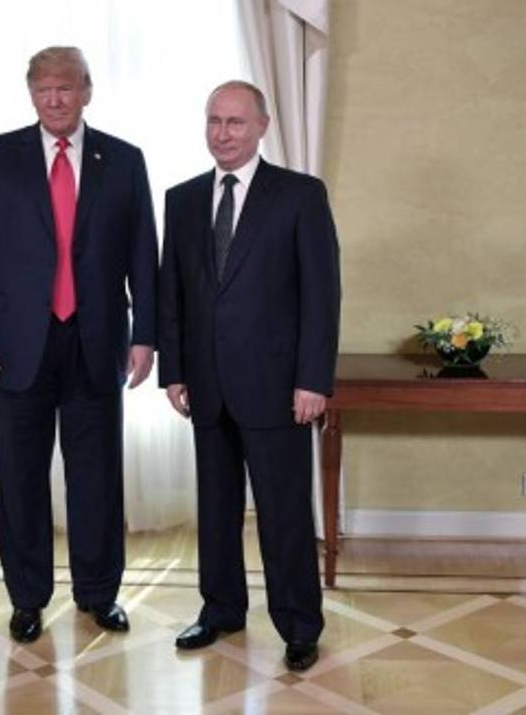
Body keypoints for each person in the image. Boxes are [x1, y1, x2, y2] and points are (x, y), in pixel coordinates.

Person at [0, 46, 157, 644]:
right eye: (43, 88)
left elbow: (144, 256)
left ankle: (98, 594)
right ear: (31, 94)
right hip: (18, 345)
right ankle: (27, 598)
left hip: (96, 343)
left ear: (87, 91)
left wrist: (145, 335)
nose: (55, 99)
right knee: (20, 479)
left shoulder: (123, 160)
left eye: (66, 87)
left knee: (97, 477)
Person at [157, 80, 340, 672]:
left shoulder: (300, 196)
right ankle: (220, 610)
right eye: (214, 121)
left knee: (285, 512)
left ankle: (298, 625)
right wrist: (174, 370)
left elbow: (322, 295)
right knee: (215, 509)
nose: (223, 133)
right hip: (206, 387)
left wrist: (313, 380)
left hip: (280, 388)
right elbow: (173, 294)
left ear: (262, 126)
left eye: (235, 122)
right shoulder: (181, 200)